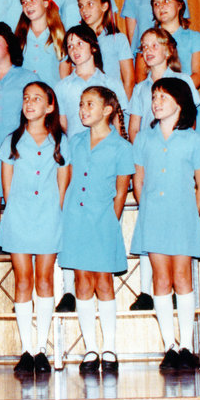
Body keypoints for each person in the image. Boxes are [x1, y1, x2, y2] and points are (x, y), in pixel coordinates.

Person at [130, 78, 200, 371]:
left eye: (163, 96)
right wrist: (148, 207)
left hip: (182, 218)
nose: (156, 102)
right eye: (154, 96)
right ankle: (170, 346)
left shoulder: (194, 139)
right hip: (154, 216)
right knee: (160, 281)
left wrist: (190, 215)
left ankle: (187, 345)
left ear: (180, 103)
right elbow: (138, 180)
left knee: (183, 279)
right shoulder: (143, 138)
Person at [0, 82, 70, 375]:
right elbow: (7, 184)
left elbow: (63, 182)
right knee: (23, 280)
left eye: (37, 98)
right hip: (19, 217)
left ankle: (41, 348)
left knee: (44, 280)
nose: (30, 102)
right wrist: (14, 211)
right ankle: (27, 348)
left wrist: (55, 211)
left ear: (50, 106)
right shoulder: (11, 141)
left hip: (48, 216)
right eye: (26, 97)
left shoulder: (60, 141)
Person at [59, 85, 132, 375]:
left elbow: (121, 191)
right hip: (75, 220)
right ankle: (90, 348)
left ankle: (109, 347)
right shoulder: (74, 142)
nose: (83, 109)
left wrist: (108, 222)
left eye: (90, 104)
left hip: (103, 221)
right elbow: (67, 179)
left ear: (107, 110)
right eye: (81, 104)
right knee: (81, 282)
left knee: (104, 282)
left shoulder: (122, 147)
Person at [78, 0, 134, 100]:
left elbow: (129, 80)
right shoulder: (78, 41)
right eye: (81, 6)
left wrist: (121, 110)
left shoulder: (118, 39)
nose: (84, 10)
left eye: (90, 4)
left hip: (112, 102)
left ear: (104, 6)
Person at [149, 0, 200, 89]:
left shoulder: (194, 38)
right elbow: (141, 77)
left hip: (184, 98)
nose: (161, 6)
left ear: (179, 5)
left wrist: (175, 96)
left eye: (166, 1)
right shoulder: (148, 40)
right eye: (156, 3)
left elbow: (199, 76)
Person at [15, 0, 68, 84]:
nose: (28, 5)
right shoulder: (18, 37)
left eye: (33, 0)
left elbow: (64, 78)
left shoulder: (59, 35)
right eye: (24, 2)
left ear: (46, 3)